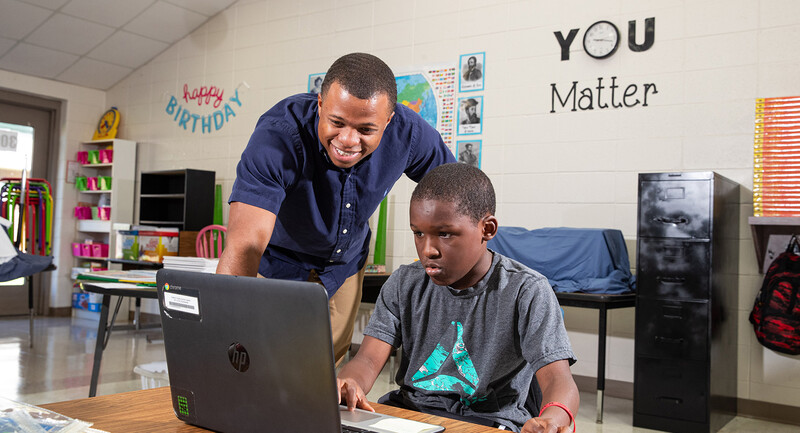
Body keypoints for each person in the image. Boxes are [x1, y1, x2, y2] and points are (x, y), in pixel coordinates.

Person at [217, 53, 456, 365]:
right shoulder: (278, 135)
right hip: (277, 261)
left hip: (344, 266)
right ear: (320, 105)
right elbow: (245, 243)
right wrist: (227, 332)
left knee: (322, 370)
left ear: (388, 120)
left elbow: (457, 193)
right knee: (259, 361)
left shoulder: (409, 133)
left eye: (365, 130)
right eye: (337, 122)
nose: (347, 140)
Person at [337, 163, 580, 432]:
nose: (427, 249)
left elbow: (558, 379)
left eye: (445, 234)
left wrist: (554, 419)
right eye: (418, 233)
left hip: (488, 421)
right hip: (408, 415)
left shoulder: (527, 290)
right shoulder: (403, 282)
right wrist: (349, 382)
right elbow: (368, 360)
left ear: (487, 229)